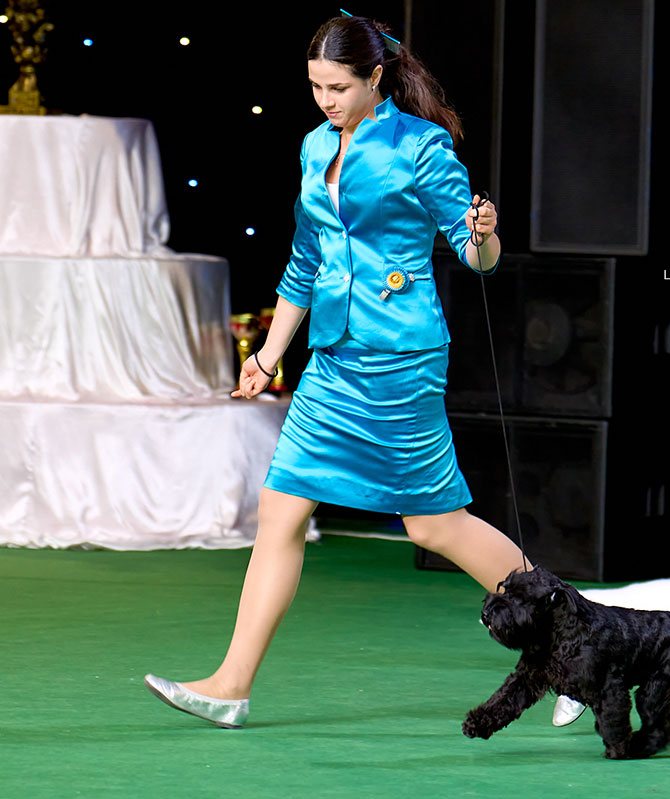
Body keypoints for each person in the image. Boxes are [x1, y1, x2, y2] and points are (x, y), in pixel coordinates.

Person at [144, 12, 584, 730]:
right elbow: (306, 261)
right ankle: (230, 684)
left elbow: (476, 256)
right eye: (316, 87)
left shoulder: (421, 146)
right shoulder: (315, 145)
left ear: (375, 78)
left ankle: (572, 646)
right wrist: (267, 356)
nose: (326, 101)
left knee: (436, 526)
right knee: (280, 509)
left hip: (400, 358)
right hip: (332, 359)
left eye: (339, 87)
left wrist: (485, 234)